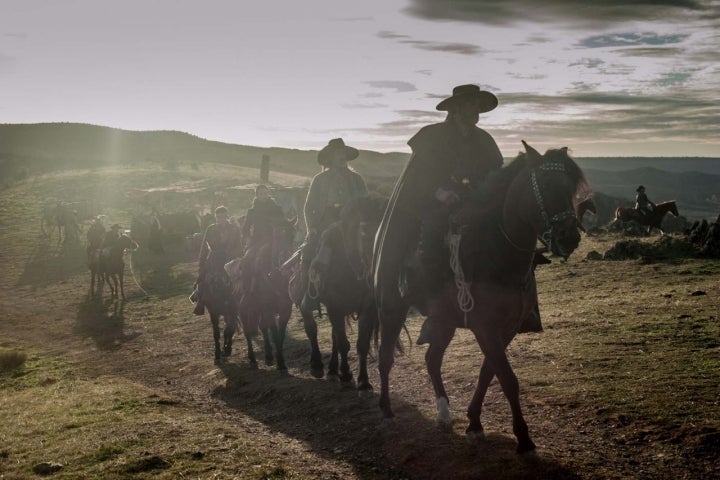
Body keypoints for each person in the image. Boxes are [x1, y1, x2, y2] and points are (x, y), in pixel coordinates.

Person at [373, 84, 505, 345]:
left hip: (472, 202)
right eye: (471, 104)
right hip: (431, 202)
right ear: (456, 108)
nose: (476, 109)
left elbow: (494, 172)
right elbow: (419, 176)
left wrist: (480, 192)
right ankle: (435, 309)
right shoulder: (431, 136)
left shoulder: (484, 140)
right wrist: (438, 192)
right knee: (434, 233)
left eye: (478, 105)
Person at [300, 138, 368, 312]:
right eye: (338, 153)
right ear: (330, 156)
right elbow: (309, 207)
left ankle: (376, 288)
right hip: (326, 221)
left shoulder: (356, 178)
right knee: (309, 250)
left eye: (343, 153)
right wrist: (311, 227)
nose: (342, 156)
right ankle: (310, 292)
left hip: (352, 221)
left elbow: (366, 202)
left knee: (371, 248)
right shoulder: (319, 179)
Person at [236, 185, 287, 302]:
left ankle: (290, 287)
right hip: (258, 241)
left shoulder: (277, 208)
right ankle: (247, 290)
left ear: (268, 194)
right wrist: (248, 238)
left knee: (289, 258)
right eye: (261, 194)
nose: (263, 196)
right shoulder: (252, 211)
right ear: (257, 196)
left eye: (265, 193)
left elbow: (284, 224)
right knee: (246, 260)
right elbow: (245, 229)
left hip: (276, 239)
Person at [194, 206, 243, 315]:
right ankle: (200, 302)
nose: (221, 219)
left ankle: (245, 301)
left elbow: (239, 245)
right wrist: (202, 263)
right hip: (214, 258)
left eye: (223, 216)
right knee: (203, 278)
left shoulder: (234, 229)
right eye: (218, 217)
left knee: (242, 277)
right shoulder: (210, 229)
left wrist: (236, 255)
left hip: (230, 258)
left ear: (227, 216)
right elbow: (204, 247)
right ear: (216, 217)